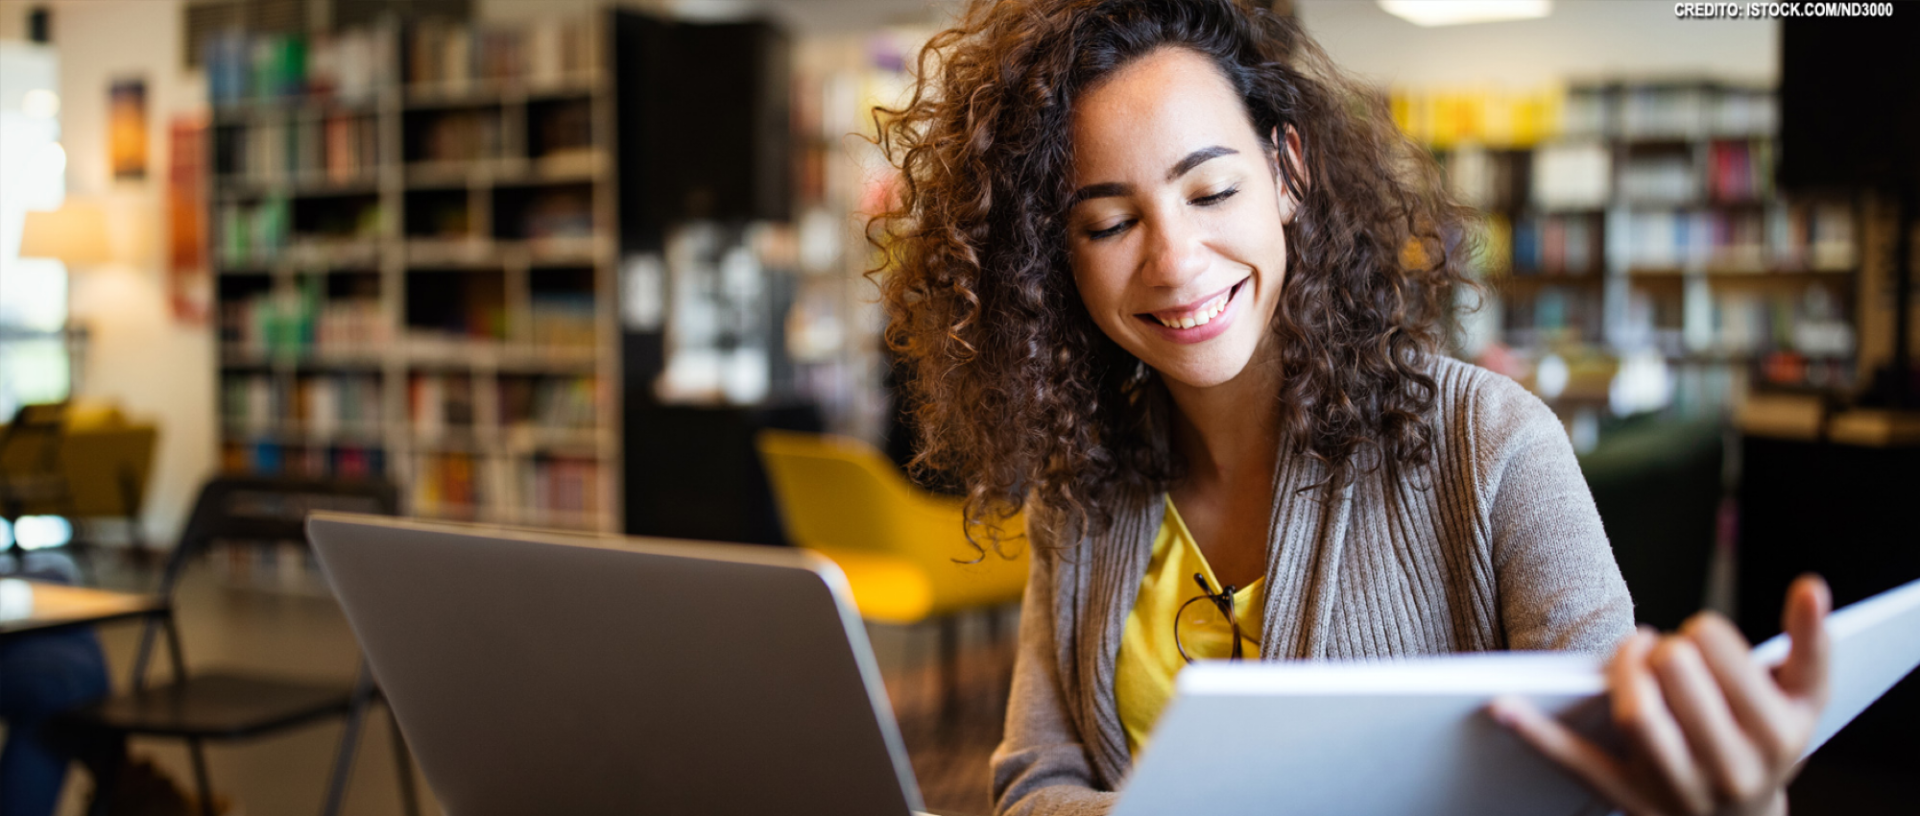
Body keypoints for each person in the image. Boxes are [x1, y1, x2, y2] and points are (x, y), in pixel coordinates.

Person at [869, 2, 1832, 815]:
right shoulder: (1078, 490)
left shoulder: (1491, 444)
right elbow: (1035, 779)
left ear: (1288, 174)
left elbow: (1617, 781)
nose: (1175, 261)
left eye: (1211, 190)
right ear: (1058, 257)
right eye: (1111, 223)